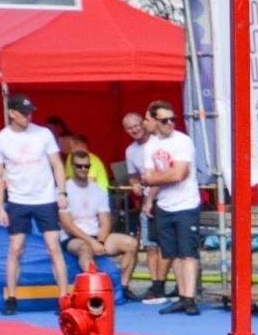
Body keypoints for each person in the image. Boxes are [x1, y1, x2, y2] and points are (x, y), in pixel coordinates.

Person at [0, 94, 69, 315]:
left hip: (45, 198)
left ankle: (63, 297)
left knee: (53, 247)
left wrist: (61, 191)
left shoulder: (43, 134)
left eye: (30, 112)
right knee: (15, 248)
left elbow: (57, 164)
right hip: (18, 200)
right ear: (12, 113)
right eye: (24, 113)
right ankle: (12, 297)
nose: (28, 116)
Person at [139, 100, 203, 316]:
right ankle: (182, 295)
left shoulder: (182, 141)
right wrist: (150, 200)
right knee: (173, 253)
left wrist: (154, 178)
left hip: (185, 204)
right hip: (165, 204)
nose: (170, 124)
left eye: (172, 119)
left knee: (188, 253)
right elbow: (149, 178)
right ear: (154, 121)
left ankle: (190, 297)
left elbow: (178, 174)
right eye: (164, 120)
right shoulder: (151, 146)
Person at [60, 150, 139, 291]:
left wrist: (101, 242)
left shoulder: (98, 190)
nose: (83, 169)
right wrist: (92, 242)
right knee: (85, 249)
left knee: (132, 243)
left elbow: (105, 220)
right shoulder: (64, 190)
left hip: (96, 235)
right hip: (73, 238)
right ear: (72, 166)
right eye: (79, 166)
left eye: (86, 166)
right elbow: (67, 225)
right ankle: (94, 289)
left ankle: (122, 287)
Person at [123, 111, 169, 303]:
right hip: (146, 200)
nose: (134, 130)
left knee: (167, 246)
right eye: (129, 128)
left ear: (143, 124)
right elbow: (133, 175)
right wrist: (134, 184)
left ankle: (163, 283)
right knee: (150, 246)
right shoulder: (130, 151)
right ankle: (155, 285)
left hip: (166, 197)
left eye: (136, 125)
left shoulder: (158, 142)